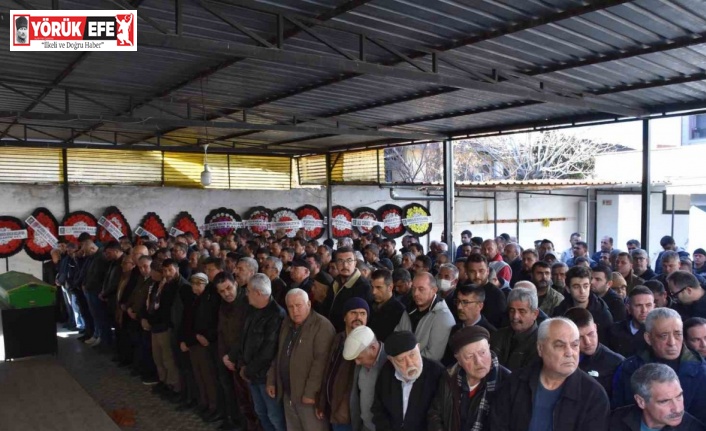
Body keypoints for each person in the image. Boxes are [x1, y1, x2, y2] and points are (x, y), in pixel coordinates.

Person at [490, 317, 609, 430]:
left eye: (574, 345)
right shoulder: (514, 383)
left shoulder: (594, 395)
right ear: (540, 349)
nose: (569, 352)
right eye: (559, 345)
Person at [612, 308, 706, 424]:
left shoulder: (701, 372)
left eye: (678, 334)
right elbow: (620, 412)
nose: (672, 342)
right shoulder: (629, 369)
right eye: (663, 336)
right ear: (648, 338)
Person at [267, 288, 335, 431]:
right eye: (290, 307)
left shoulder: (322, 326)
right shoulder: (286, 323)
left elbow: (321, 364)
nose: (295, 310)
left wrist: (310, 394)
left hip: (309, 398)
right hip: (288, 393)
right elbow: (279, 354)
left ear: (309, 304)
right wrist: (272, 380)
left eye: (299, 305)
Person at [428, 326, 510, 431]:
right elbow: (435, 414)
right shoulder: (449, 377)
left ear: (489, 348)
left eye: (483, 353)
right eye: (470, 357)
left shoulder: (508, 382)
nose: (479, 362)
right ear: (458, 359)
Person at [232, 273, 286, 431]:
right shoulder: (252, 309)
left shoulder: (276, 314)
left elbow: (268, 350)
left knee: (274, 416)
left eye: (248, 290)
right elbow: (244, 337)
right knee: (261, 412)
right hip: (252, 374)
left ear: (258, 293)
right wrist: (242, 363)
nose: (246, 293)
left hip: (265, 377)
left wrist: (248, 369)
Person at [371, 331, 444, 431]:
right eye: (401, 360)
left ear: (418, 347)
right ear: (391, 360)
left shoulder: (437, 373)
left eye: (412, 355)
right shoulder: (386, 373)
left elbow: (439, 417)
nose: (409, 363)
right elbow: (378, 410)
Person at [317, 297, 369, 431]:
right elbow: (328, 372)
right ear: (344, 317)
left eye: (363, 313)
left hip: (349, 415)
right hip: (332, 409)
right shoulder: (338, 339)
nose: (358, 317)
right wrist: (322, 403)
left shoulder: (369, 345)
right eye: (353, 313)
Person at [609, 363, 706, 431]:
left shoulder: (694, 428)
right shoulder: (615, 421)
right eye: (664, 401)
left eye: (679, 396)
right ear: (641, 402)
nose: (677, 409)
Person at [179, 272, 221, 422]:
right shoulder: (194, 299)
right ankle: (204, 402)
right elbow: (187, 321)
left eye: (198, 284)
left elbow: (210, 322)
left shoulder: (210, 300)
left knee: (208, 376)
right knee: (198, 374)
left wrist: (204, 337)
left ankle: (214, 406)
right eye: (193, 284)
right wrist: (186, 339)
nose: (195, 287)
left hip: (204, 343)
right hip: (194, 342)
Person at [564, 307, 624, 398]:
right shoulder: (560, 359)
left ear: (595, 327)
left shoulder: (617, 363)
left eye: (590, 334)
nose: (587, 342)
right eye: (580, 337)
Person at [395, 272, 455, 361]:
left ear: (434, 290)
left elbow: (434, 355)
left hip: (425, 369)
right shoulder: (410, 309)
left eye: (421, 289)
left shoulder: (443, 316)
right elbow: (396, 335)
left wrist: (406, 359)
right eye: (413, 289)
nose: (415, 294)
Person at [552, 265, 613, 343]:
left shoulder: (602, 314)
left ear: (590, 286)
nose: (582, 291)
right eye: (576, 287)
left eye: (586, 286)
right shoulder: (560, 311)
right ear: (568, 289)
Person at [343, 326, 387, 431]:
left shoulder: (390, 363)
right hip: (365, 426)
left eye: (359, 358)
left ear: (373, 348)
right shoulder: (361, 364)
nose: (357, 362)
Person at [442, 284, 497, 367]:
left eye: (465, 302)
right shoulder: (455, 329)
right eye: (458, 301)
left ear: (480, 306)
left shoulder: (491, 333)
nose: (459, 307)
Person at [490, 287, 540, 371]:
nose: (515, 317)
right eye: (512, 311)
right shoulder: (498, 336)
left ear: (535, 314)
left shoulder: (541, 344)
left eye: (522, 311)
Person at [329, 246, 372, 333]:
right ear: (336, 264)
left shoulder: (364, 287)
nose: (345, 265)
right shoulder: (335, 283)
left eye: (349, 261)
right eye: (340, 261)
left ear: (355, 263)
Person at [607, 286, 654, 358]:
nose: (644, 310)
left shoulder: (659, 333)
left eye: (648, 305)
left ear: (654, 307)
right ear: (628, 308)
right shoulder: (615, 330)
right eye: (638, 305)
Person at [465, 254, 507, 328]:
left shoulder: (496, 295)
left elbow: (499, 325)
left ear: (487, 271)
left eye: (481, 271)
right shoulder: (463, 289)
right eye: (472, 271)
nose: (477, 275)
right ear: (467, 272)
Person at [368, 269, 405, 342]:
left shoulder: (400, 311)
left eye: (379, 287)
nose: (374, 292)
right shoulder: (369, 305)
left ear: (390, 287)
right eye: (372, 287)